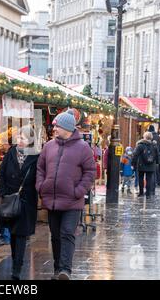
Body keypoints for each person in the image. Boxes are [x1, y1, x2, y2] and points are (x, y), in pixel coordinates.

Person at [36, 110, 96, 280]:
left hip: (72, 201)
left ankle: (65, 270)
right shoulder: (49, 146)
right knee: (55, 236)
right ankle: (57, 268)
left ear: (67, 128)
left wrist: (78, 191)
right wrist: (41, 187)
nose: (54, 129)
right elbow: (40, 168)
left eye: (57, 126)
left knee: (67, 232)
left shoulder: (83, 148)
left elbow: (90, 173)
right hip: (52, 200)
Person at [0, 125, 39, 280]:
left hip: (27, 200)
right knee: (13, 234)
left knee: (21, 234)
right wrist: (3, 192)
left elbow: (39, 176)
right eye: (19, 137)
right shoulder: (11, 153)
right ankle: (16, 260)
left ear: (30, 140)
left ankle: (17, 268)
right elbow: (2, 173)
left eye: (23, 138)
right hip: (10, 198)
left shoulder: (36, 156)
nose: (19, 140)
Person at [132, 132, 159, 197]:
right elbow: (157, 155)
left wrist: (133, 163)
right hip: (151, 165)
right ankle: (148, 194)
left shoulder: (140, 145)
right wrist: (156, 163)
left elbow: (135, 155)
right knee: (149, 179)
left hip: (141, 164)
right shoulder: (154, 145)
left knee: (140, 178)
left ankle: (141, 192)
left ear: (144, 137)